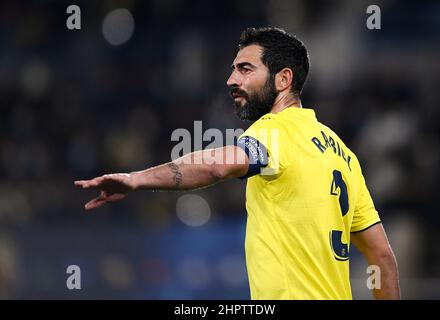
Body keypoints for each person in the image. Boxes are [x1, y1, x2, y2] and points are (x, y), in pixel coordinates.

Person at [75, 27, 400, 300]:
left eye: (246, 69)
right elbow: (381, 256)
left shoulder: (277, 129)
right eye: (233, 69)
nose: (232, 80)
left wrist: (136, 179)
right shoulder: (342, 154)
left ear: (283, 78)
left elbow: (218, 165)